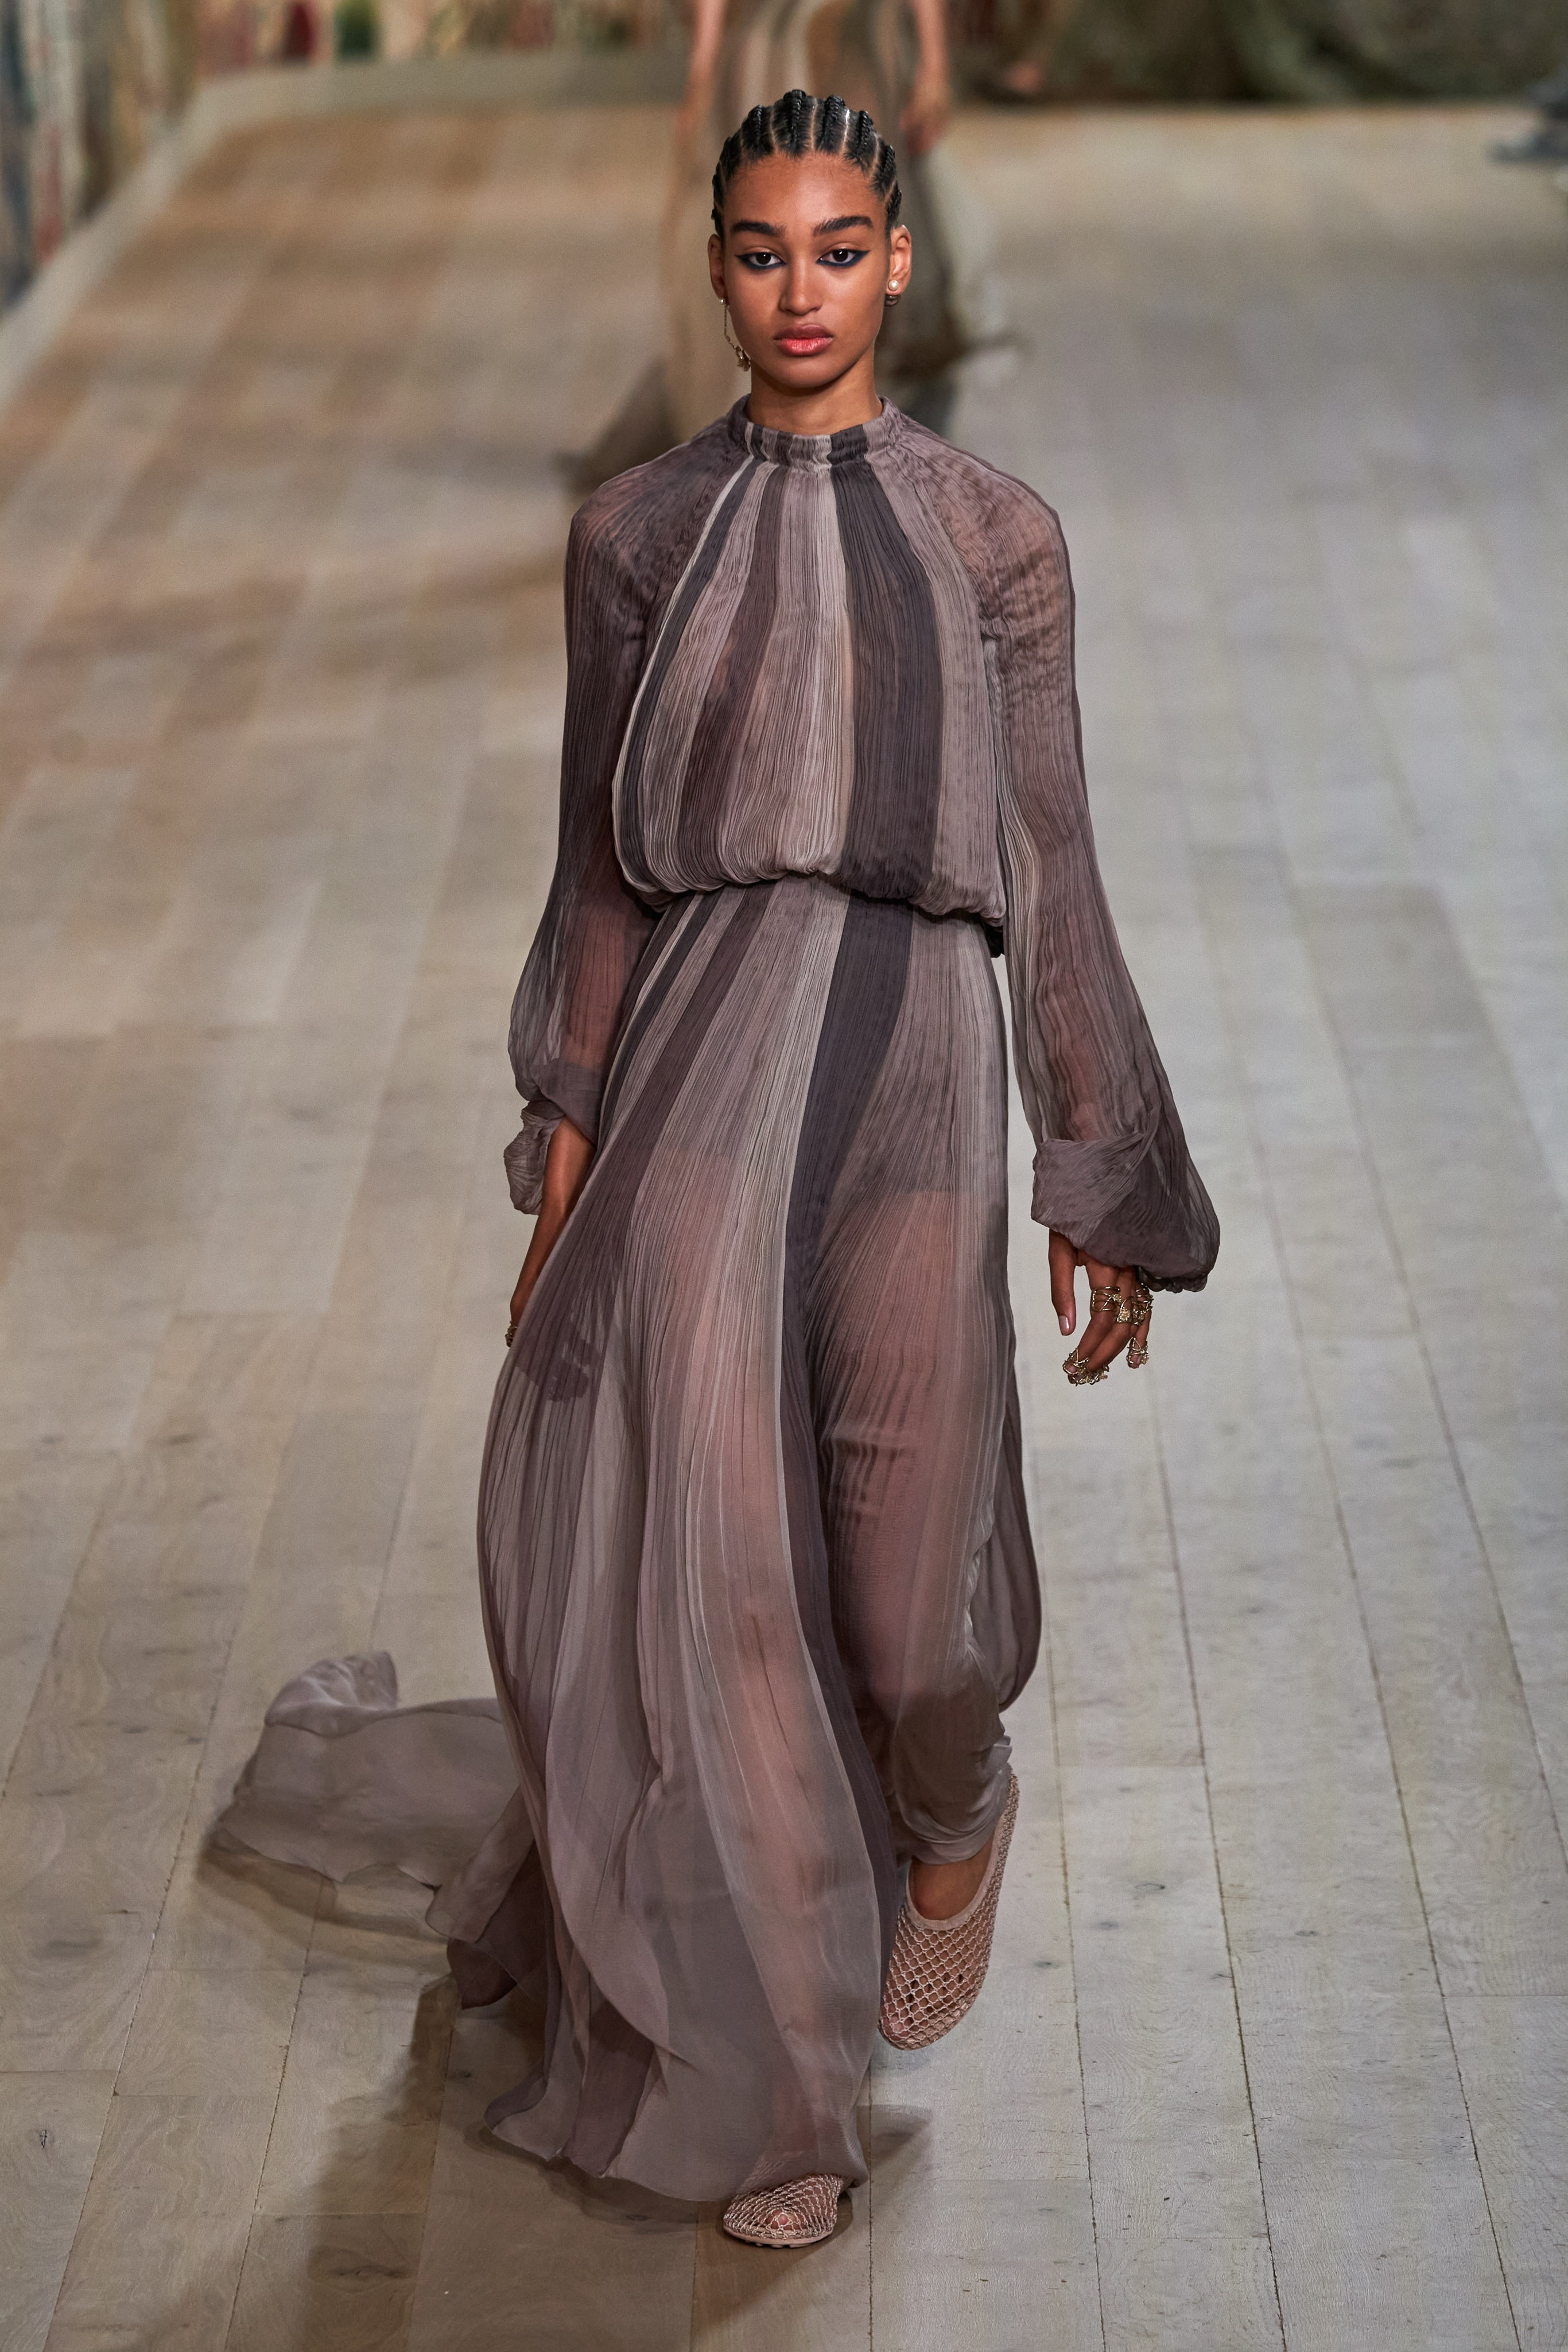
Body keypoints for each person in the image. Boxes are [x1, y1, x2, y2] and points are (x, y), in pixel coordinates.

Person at [220, 88, 1217, 2253]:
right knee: (719, 1580)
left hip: (917, 1070)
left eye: (840, 247)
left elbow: (1050, 854)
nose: (802, 289)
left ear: (898, 262)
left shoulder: (996, 536)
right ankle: (776, 2098)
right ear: (714, 270)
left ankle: (952, 1803)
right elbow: (596, 868)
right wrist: (564, 1141)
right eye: (762, 251)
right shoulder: (636, 535)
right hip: (692, 1061)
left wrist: (1099, 1164)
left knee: (910, 1599)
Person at [570, 0, 970, 489]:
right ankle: (785, 441)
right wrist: (704, 71)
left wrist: (934, 66)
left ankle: (832, 438)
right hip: (787, 50)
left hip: (847, 44)